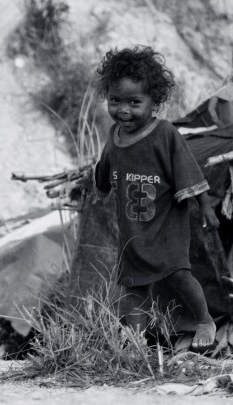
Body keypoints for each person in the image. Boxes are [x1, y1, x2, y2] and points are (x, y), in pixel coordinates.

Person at [92, 46, 219, 352]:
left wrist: (205, 208)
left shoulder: (165, 134)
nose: (124, 110)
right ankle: (135, 343)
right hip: (133, 229)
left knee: (177, 272)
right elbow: (106, 167)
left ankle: (204, 319)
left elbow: (187, 170)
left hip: (164, 223)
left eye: (135, 103)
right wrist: (100, 186)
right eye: (115, 101)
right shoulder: (115, 135)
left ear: (154, 102)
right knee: (134, 286)